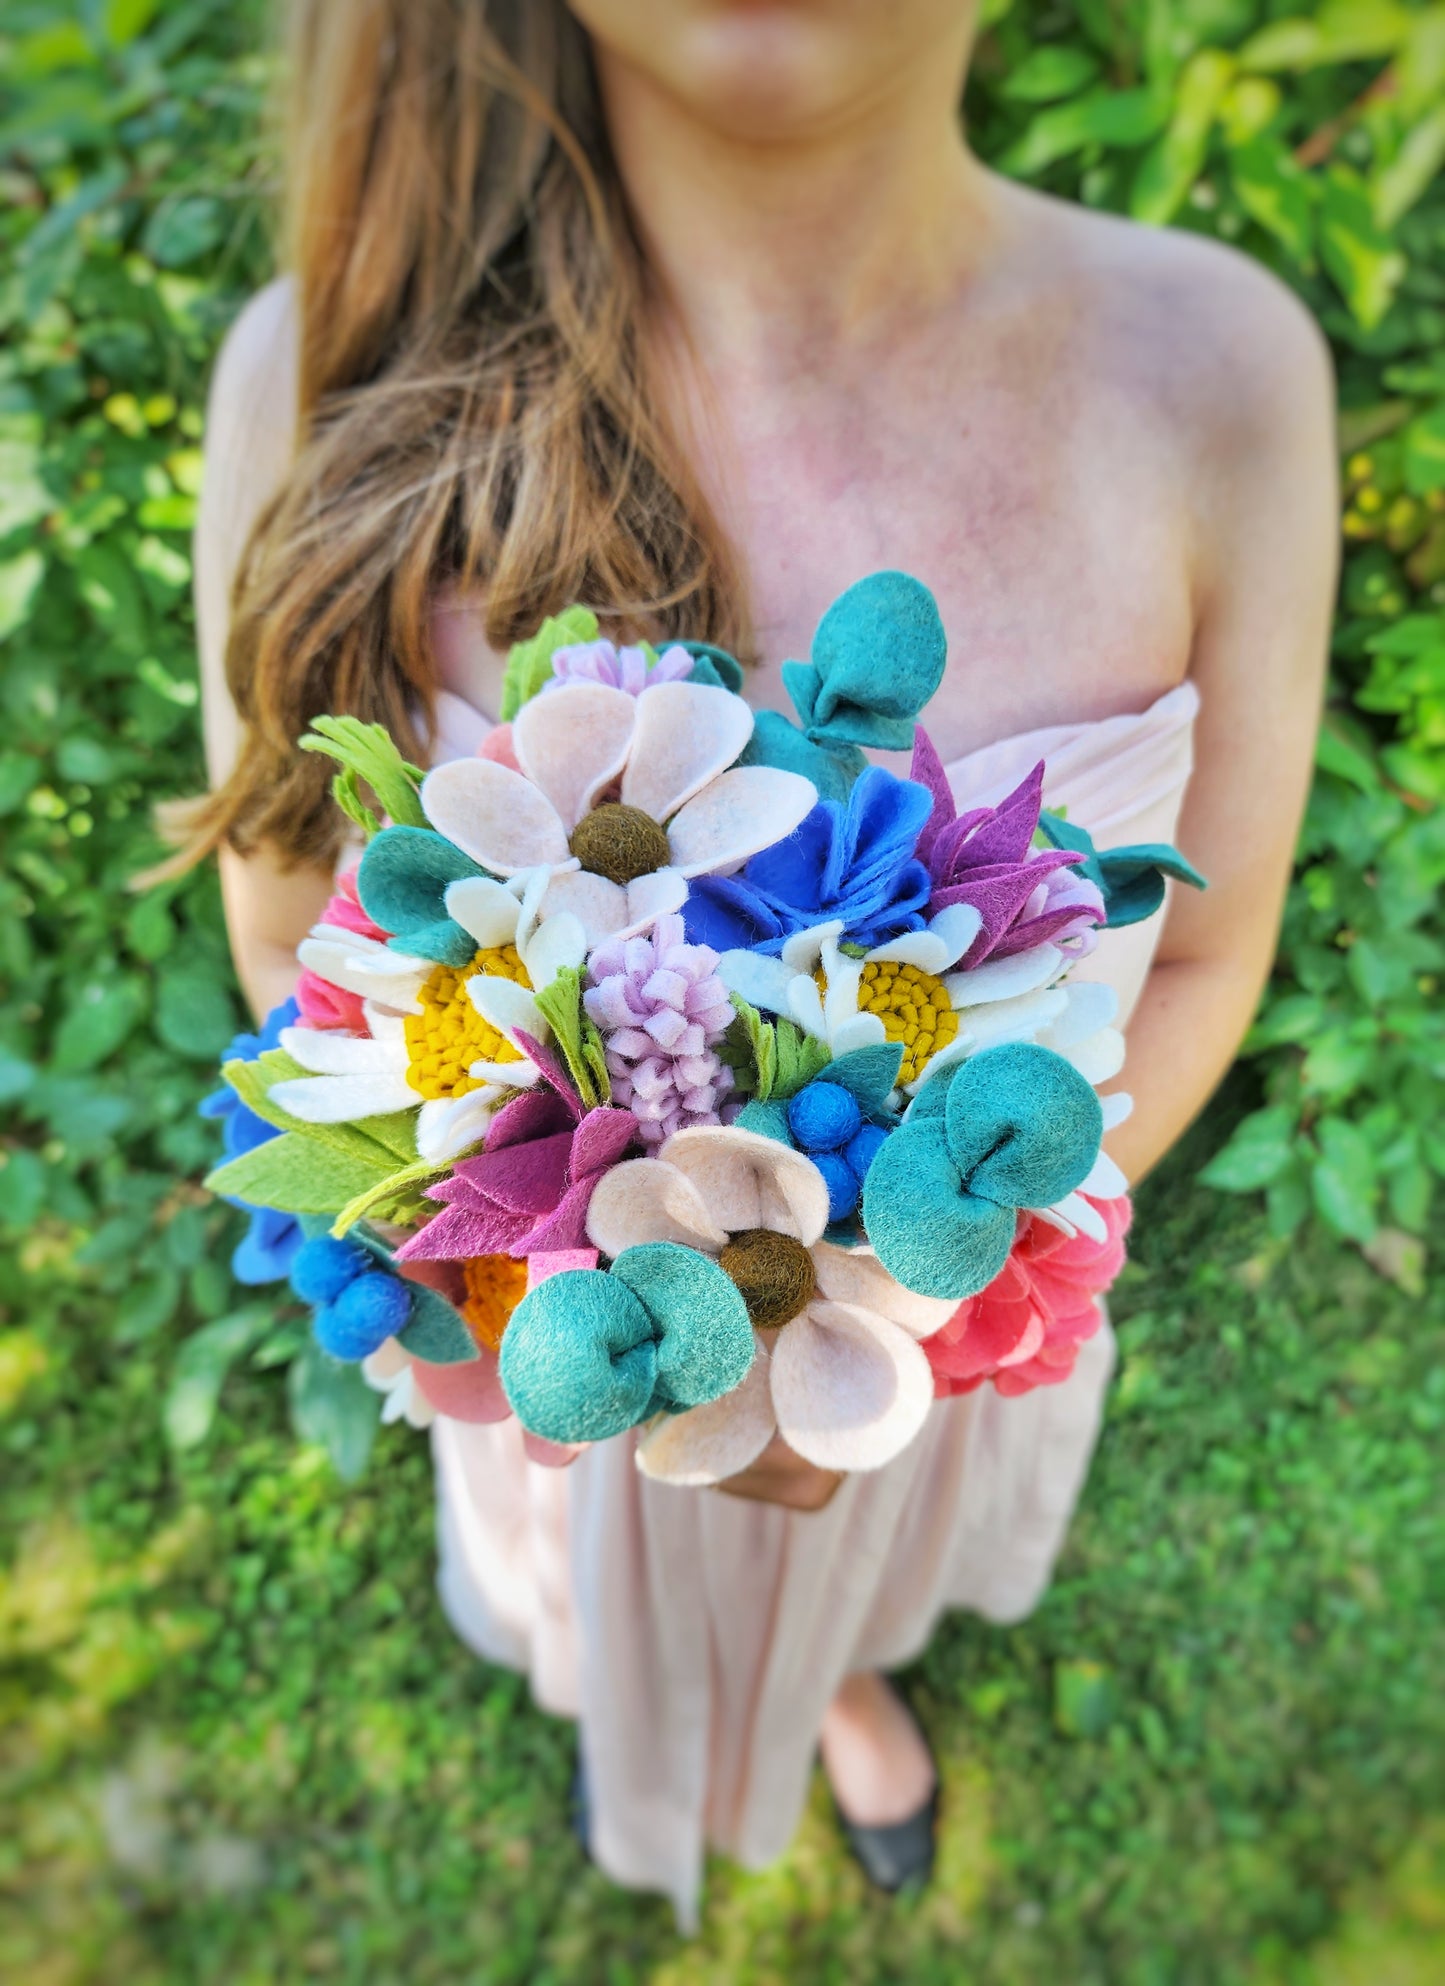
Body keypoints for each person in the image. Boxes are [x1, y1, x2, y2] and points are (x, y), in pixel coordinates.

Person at [188, 0, 1337, 1929]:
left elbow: (1205, 949)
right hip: (559, 1366)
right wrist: (585, 1338)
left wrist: (886, 1300)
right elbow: (290, 935)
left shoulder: (1218, 375)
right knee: (607, 1590)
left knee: (865, 1553)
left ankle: (846, 1674)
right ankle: (614, 1676)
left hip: (928, 1366)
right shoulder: (324, 368)